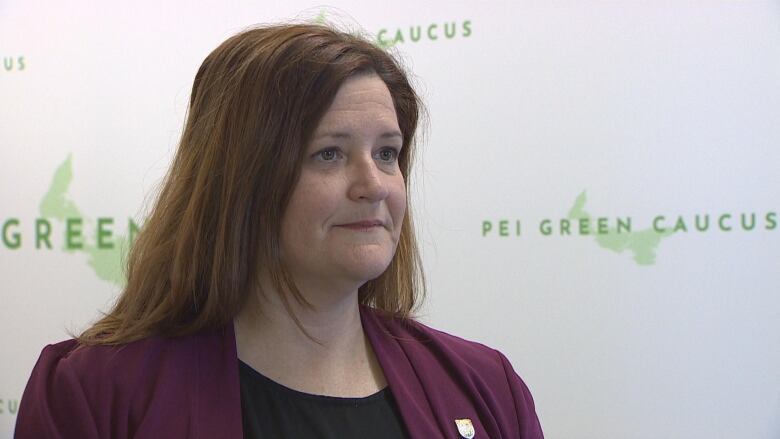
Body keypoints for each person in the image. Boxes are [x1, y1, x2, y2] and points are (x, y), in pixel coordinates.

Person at [14, 23, 544, 439]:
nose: (373, 184)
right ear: (241, 181)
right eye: (329, 154)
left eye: (387, 153)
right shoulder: (95, 393)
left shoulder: (484, 387)